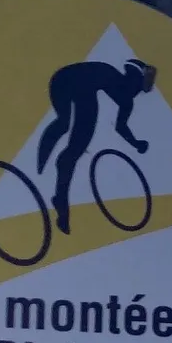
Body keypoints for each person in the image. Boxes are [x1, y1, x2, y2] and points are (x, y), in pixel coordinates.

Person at [34, 57, 157, 233]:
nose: (137, 91)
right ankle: (46, 164)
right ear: (131, 78)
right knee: (64, 123)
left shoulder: (126, 99)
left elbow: (121, 127)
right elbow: (119, 124)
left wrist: (137, 143)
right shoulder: (108, 75)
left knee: (75, 148)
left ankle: (61, 198)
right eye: (139, 84)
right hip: (66, 80)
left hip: (84, 90)